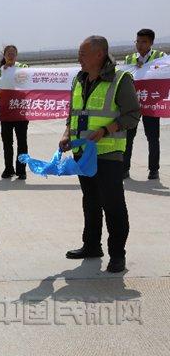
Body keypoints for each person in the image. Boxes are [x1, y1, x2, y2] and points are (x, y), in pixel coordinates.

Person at [59, 36, 141, 273]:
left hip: (108, 154)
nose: (79, 58)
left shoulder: (120, 79)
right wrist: (67, 133)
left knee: (113, 204)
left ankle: (117, 254)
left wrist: (106, 130)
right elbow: (73, 112)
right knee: (91, 201)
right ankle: (92, 245)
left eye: (83, 54)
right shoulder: (79, 78)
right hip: (82, 153)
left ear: (99, 55)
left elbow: (133, 114)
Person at [123, 28, 166, 180]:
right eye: (138, 41)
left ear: (151, 43)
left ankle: (153, 170)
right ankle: (124, 169)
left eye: (144, 42)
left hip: (150, 103)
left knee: (153, 137)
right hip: (132, 104)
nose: (140, 45)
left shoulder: (160, 57)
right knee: (128, 137)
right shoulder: (129, 59)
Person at [0, 45, 30, 180]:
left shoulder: (23, 67)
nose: (11, 55)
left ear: (16, 55)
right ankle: (8, 168)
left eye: (13, 53)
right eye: (8, 53)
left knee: (22, 142)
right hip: (5, 112)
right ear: (4, 55)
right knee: (7, 143)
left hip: (20, 111)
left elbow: (28, 79)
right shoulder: (0, 71)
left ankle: (21, 170)